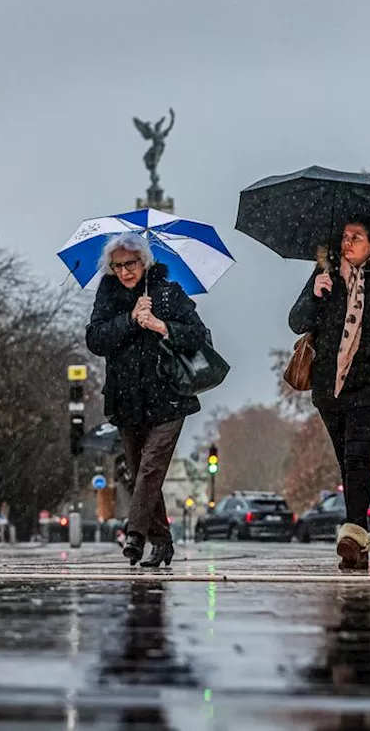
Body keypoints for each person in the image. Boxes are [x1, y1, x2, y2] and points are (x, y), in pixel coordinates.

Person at [289, 218, 370, 570]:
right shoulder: (325, 276)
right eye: (345, 237)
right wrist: (315, 295)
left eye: (356, 238)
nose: (348, 243)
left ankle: (354, 532)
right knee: (346, 461)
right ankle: (358, 543)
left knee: (357, 457)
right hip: (330, 387)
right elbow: (296, 322)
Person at [87, 232, 209, 568]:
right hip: (127, 400)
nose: (124, 272)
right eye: (117, 266)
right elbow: (95, 339)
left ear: (145, 262)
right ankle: (163, 542)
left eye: (130, 264)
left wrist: (160, 325)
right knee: (140, 471)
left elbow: (198, 334)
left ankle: (135, 534)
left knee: (151, 467)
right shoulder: (108, 296)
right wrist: (129, 319)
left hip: (170, 397)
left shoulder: (168, 293)